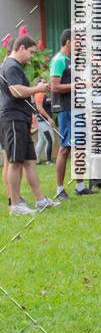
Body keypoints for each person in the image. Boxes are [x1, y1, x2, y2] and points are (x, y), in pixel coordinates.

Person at [0, 35, 59, 215]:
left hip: (21, 118)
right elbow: (16, 91)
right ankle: (15, 205)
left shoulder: (13, 66)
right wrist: (38, 89)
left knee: (30, 162)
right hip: (13, 119)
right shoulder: (11, 66)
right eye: (31, 52)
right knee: (14, 162)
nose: (32, 56)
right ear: (21, 48)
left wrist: (30, 112)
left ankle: (40, 200)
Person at [49, 29, 96, 200]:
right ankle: (60, 189)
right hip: (66, 110)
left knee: (79, 147)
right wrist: (78, 85)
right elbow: (54, 86)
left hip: (76, 109)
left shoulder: (70, 61)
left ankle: (80, 186)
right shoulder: (58, 60)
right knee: (65, 148)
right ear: (69, 42)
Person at [34, 77, 55, 164]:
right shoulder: (39, 94)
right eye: (43, 82)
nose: (45, 84)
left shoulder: (44, 94)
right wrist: (49, 118)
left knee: (41, 141)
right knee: (50, 140)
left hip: (43, 121)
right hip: (42, 121)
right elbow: (39, 107)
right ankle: (48, 161)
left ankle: (37, 160)